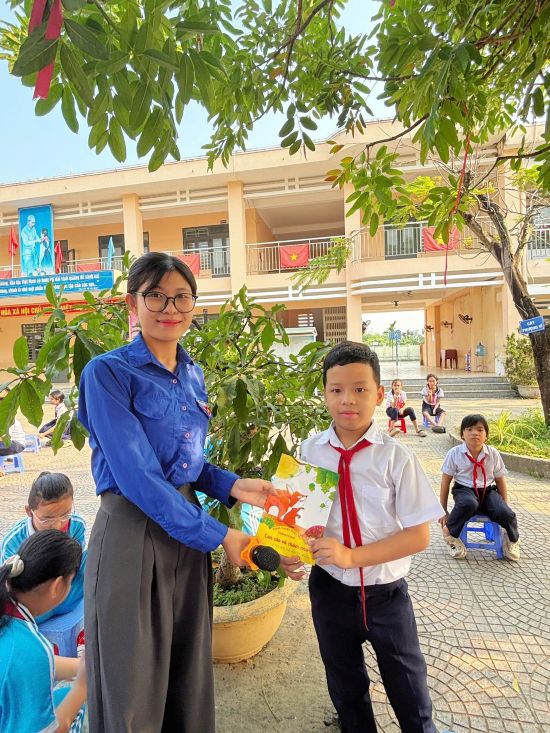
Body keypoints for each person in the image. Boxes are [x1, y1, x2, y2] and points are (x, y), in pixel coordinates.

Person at [77, 251, 291, 733]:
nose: (169, 308)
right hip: (131, 532)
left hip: (187, 533)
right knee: (131, 690)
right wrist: (222, 537)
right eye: (155, 295)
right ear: (132, 303)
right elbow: (139, 477)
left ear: (194, 303)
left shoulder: (192, 374)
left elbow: (186, 464)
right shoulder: (107, 374)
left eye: (181, 297)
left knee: (188, 676)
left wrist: (235, 485)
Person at [301, 341, 443, 733]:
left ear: (380, 395)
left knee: (410, 692)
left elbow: (418, 536)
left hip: (386, 596)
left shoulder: (397, 458)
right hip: (329, 591)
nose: (347, 399)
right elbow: (301, 518)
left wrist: (351, 556)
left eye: (360, 389)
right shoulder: (310, 451)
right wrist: (288, 549)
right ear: (324, 394)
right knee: (346, 688)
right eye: (336, 389)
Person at [0, 529, 87, 733]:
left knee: (63, 696)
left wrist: (84, 667)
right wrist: (83, 687)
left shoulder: (7, 612)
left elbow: (30, 663)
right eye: (71, 582)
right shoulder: (30, 646)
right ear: (57, 586)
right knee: (75, 705)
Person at [1, 471, 87, 624]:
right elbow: (14, 590)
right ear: (29, 511)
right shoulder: (13, 542)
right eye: (47, 519)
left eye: (65, 514)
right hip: (36, 606)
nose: (58, 524)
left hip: (68, 594)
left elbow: (77, 564)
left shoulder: (76, 525)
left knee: (93, 556)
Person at [439, 413, 520, 561]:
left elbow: (500, 480)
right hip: (464, 489)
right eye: (469, 429)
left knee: (505, 513)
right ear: (462, 434)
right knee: (469, 503)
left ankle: (512, 539)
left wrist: (504, 505)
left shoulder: (493, 454)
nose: (475, 433)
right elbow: (445, 481)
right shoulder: (454, 454)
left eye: (480, 430)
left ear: (486, 435)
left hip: (487, 490)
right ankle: (449, 533)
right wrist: (443, 510)